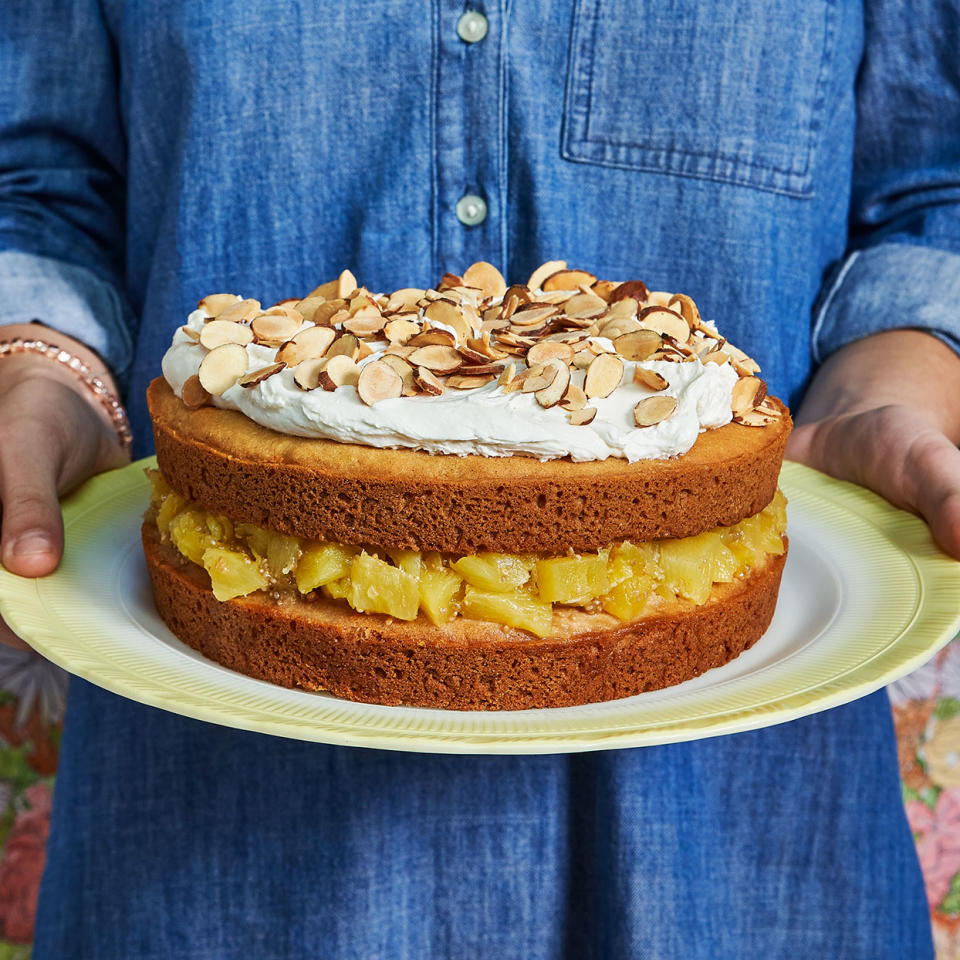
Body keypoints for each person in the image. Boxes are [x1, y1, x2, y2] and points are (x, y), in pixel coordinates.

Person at [1, 1, 958, 956]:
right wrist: (47, 369)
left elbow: (933, 191)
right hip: (216, 850)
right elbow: (38, 185)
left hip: (743, 849)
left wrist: (896, 381)